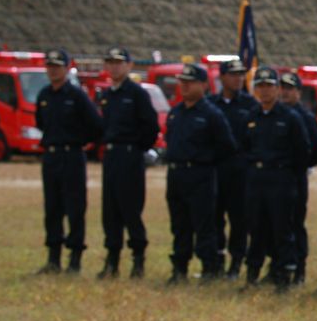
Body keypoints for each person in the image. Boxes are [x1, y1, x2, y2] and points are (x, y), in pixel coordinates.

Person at [162, 63, 236, 283]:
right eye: (182, 82)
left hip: (200, 175)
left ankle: (209, 269)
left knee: (204, 225)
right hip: (176, 174)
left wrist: (206, 162)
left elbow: (227, 146)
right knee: (179, 225)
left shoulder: (211, 114)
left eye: (190, 82)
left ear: (204, 85)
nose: (184, 86)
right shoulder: (176, 112)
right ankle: (179, 269)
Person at [34, 49, 103, 273]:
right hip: (51, 156)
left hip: (72, 155)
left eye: (57, 66)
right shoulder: (44, 95)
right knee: (52, 207)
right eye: (49, 66)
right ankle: (53, 258)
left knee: (74, 207)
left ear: (66, 68)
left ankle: (74, 259)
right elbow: (40, 123)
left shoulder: (76, 96)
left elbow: (95, 125)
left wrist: (81, 142)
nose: (53, 70)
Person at [240, 66, 308, 291]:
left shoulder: (290, 117)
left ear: (277, 89)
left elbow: (303, 151)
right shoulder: (252, 116)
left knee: (282, 228)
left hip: (281, 179)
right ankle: (252, 275)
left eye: (269, 86)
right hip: (256, 180)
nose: (265, 90)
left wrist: (287, 173)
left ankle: (285, 276)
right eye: (260, 86)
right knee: (256, 228)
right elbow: (244, 147)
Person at [96, 47, 159, 279]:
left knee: (130, 208)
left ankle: (138, 260)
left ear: (129, 66)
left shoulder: (137, 94)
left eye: (119, 62)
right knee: (110, 210)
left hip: (130, 155)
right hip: (111, 156)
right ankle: (111, 262)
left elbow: (150, 127)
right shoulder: (107, 95)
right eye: (110, 62)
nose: (114, 67)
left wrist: (136, 149)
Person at [209, 57, 260, 279]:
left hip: (240, 172)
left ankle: (237, 260)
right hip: (215, 169)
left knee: (240, 219)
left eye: (241, 74)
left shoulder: (251, 105)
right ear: (222, 78)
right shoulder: (211, 104)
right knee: (214, 217)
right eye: (234, 74)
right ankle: (217, 259)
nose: (239, 79)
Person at [278, 70, 317, 285]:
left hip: (296, 177)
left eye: (289, 89)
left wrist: (300, 167)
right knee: (277, 223)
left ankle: (299, 268)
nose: (285, 93)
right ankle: (280, 265)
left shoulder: (305, 117)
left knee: (295, 222)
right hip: (277, 178)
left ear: (298, 91)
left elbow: (314, 150)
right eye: (282, 89)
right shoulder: (276, 113)